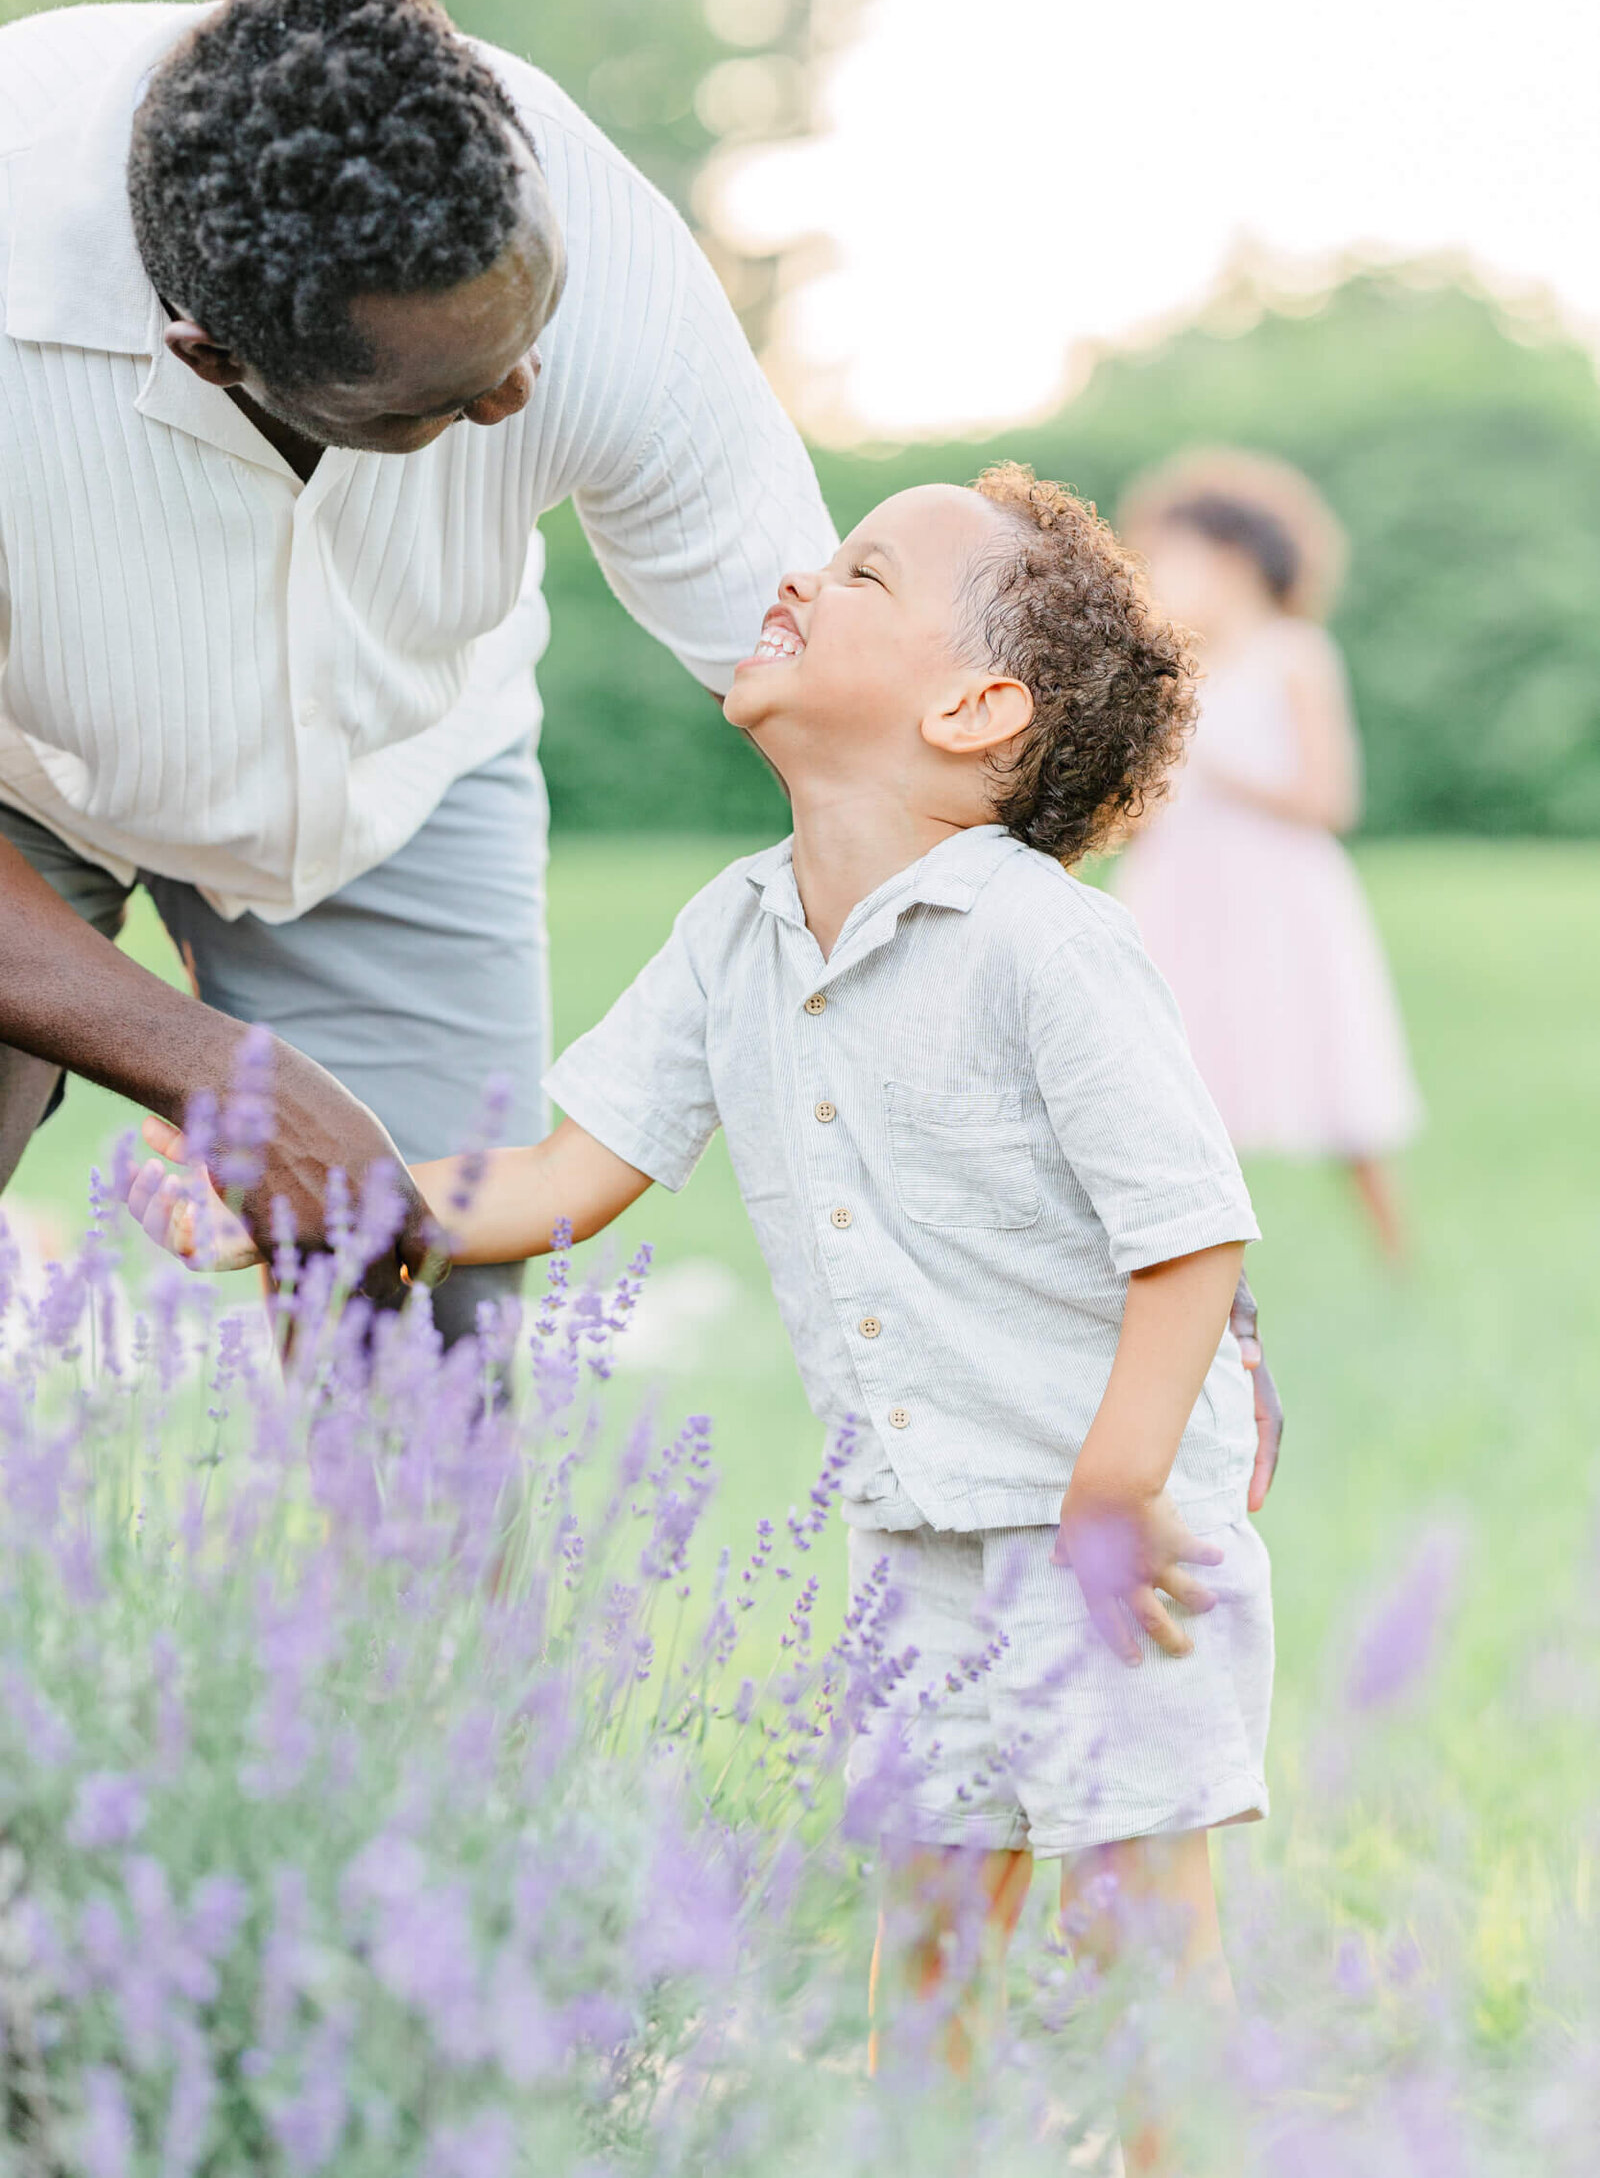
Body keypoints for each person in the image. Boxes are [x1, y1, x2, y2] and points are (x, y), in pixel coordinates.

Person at [132, 465, 1272, 2166]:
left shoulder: (1046, 949)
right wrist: (284, 1191)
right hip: (916, 1526)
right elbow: (557, 1180)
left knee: (1132, 1934)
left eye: (865, 572)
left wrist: (1120, 1482)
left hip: (1105, 1531)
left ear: (977, 707)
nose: (802, 577)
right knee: (935, 1921)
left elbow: (1189, 1238)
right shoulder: (736, 930)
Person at [0, 0, 835, 1335]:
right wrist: (217, 1073)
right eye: (434, 405)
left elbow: (861, 722)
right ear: (214, 357)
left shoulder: (603, 250)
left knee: (424, 1358)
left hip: (405, 771)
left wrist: (1106, 1169)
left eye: (531, 331)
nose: (518, 395)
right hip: (18, 781)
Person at [1114, 451, 1422, 1262]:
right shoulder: (1168, 670)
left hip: (1276, 891)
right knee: (1185, 1068)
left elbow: (1330, 799)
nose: (1155, 579)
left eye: (1169, 561)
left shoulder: (1295, 654)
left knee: (1323, 1058)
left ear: (1233, 562)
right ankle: (1195, 1264)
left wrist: (1221, 768)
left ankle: (1396, 1259)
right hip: (1182, 890)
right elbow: (1144, 812)